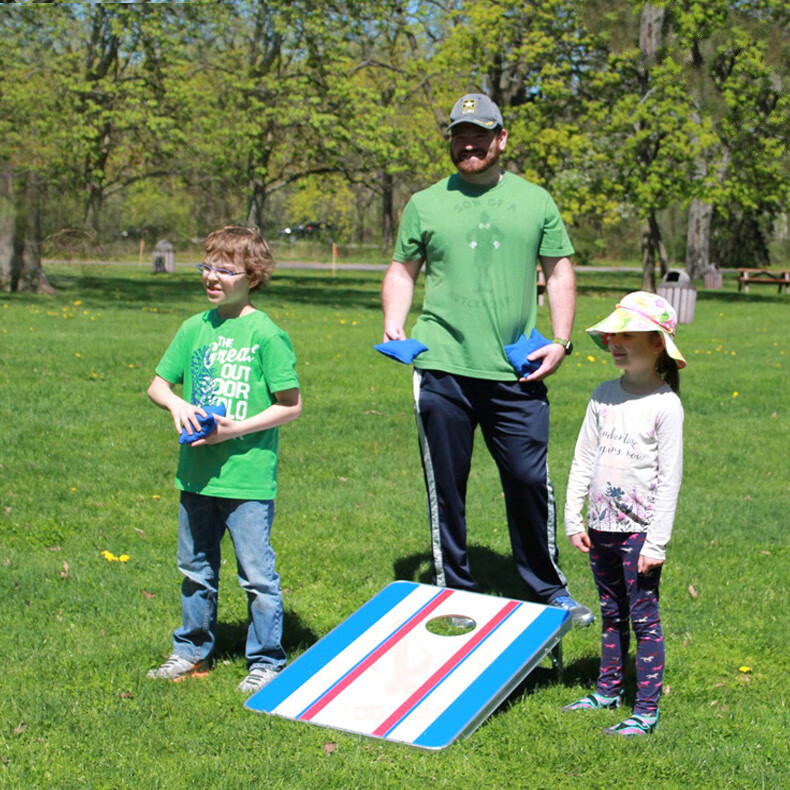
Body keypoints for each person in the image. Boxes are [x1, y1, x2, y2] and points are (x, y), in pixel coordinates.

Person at [381, 92, 592, 625]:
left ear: (502, 139)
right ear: (451, 140)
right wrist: (394, 320)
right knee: (446, 486)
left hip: (516, 368)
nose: (469, 143)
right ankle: (454, 588)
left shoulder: (536, 201)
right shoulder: (425, 203)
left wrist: (562, 341)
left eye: (480, 134)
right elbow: (403, 270)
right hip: (443, 363)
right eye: (460, 134)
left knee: (527, 479)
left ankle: (546, 588)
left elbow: (560, 270)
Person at [146, 225, 302, 694]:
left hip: (247, 476)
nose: (212, 277)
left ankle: (268, 660)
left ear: (252, 276)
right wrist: (177, 405)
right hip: (195, 475)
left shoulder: (267, 335)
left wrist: (235, 429)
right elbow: (158, 384)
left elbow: (291, 404)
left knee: (257, 575)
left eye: (226, 269)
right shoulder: (194, 328)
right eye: (207, 266)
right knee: (195, 569)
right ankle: (192, 651)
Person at [561, 291, 686, 736]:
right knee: (611, 612)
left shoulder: (665, 405)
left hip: (638, 536)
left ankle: (646, 711)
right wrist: (574, 518)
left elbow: (670, 480)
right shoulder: (603, 395)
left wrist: (656, 542)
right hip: (600, 529)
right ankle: (607, 690)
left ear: (657, 345)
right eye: (612, 334)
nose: (614, 341)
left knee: (643, 618)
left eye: (627, 334)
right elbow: (583, 458)